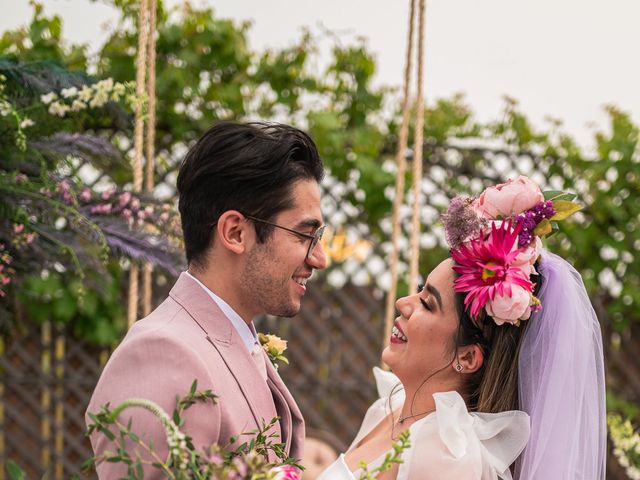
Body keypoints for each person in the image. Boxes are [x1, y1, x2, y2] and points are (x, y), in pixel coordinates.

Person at [318, 175, 606, 480]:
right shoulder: (388, 407)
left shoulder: (447, 456)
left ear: (467, 357)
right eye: (420, 291)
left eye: (427, 303)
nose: (403, 302)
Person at [86, 121, 328, 478]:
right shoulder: (161, 355)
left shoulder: (230, 340)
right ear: (235, 232)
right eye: (304, 235)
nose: (320, 258)